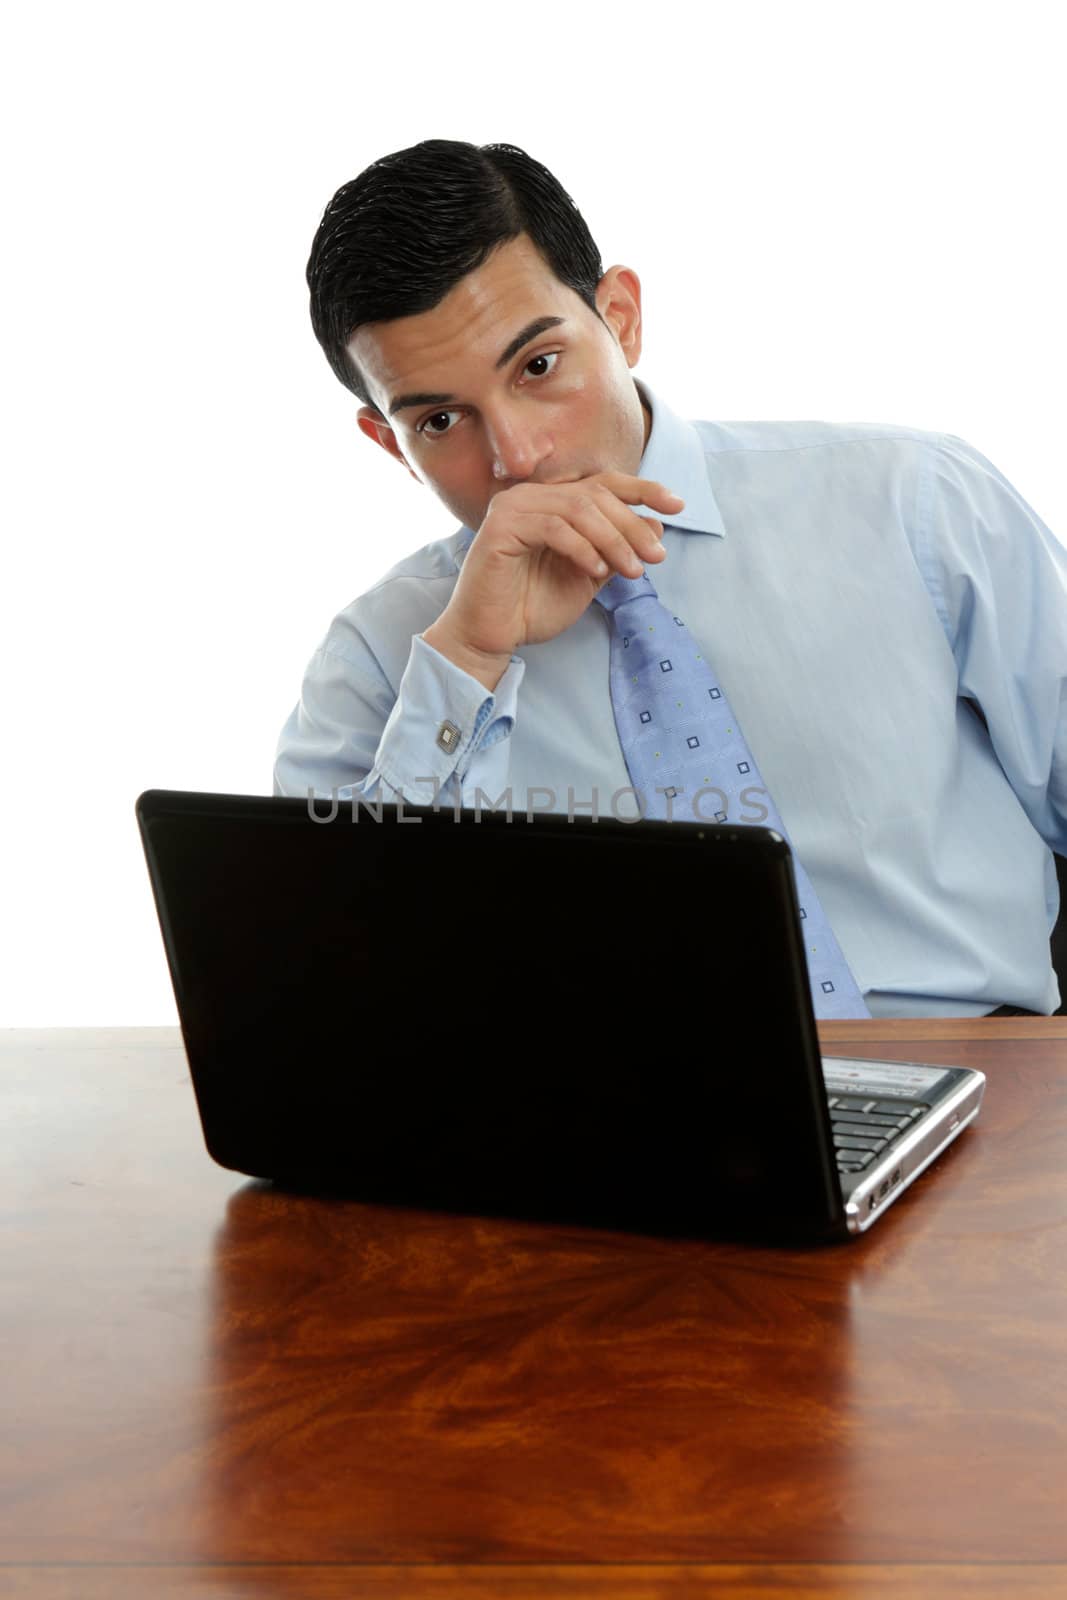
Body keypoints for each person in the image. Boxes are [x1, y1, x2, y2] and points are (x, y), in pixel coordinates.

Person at [274, 138, 1067, 1020]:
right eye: (440, 420)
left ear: (619, 318)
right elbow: (334, 985)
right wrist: (467, 662)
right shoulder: (384, 657)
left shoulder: (915, 504)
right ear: (389, 443)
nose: (517, 457)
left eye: (538, 366)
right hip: (607, 1123)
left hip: (984, 1087)